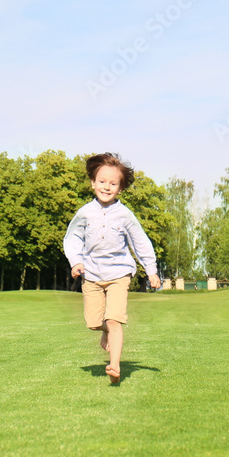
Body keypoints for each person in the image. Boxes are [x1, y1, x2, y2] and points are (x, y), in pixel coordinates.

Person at [63, 153, 161, 384]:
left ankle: (115, 366)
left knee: (115, 320)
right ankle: (105, 331)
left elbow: (140, 242)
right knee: (94, 323)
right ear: (93, 183)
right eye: (102, 181)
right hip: (92, 275)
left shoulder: (125, 215)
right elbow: (72, 238)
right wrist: (76, 261)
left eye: (113, 183)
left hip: (119, 273)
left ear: (120, 188)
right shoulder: (85, 212)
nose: (107, 187)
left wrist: (152, 270)